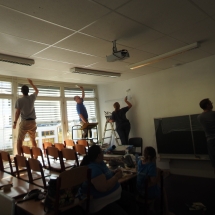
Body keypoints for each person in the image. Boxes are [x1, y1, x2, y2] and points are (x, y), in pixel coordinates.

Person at [79, 145, 137, 215]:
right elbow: (104, 187)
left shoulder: (100, 162)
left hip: (111, 198)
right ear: (98, 155)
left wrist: (113, 172)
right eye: (102, 152)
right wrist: (116, 177)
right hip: (101, 203)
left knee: (132, 199)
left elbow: (106, 173)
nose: (103, 153)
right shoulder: (93, 168)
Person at [136, 146, 174, 215]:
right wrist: (161, 176)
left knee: (154, 187)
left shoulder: (139, 162)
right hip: (146, 193)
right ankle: (166, 212)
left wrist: (157, 170)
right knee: (162, 189)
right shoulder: (151, 165)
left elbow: (147, 168)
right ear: (154, 156)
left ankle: (151, 207)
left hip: (139, 190)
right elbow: (153, 182)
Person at [13, 79, 39, 155]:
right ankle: (36, 156)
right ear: (28, 91)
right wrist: (31, 83)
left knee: (19, 140)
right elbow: (37, 91)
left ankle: (20, 159)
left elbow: (17, 112)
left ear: (22, 92)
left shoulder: (19, 100)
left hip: (24, 122)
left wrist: (15, 122)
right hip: (32, 122)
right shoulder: (32, 97)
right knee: (33, 139)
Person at [197, 98, 215, 173]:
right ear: (208, 105)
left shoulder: (199, 117)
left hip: (210, 141)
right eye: (211, 103)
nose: (212, 104)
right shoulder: (214, 114)